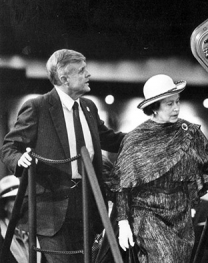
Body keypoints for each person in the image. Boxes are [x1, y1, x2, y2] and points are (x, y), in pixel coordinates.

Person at [1, 49, 125, 263]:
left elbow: (112, 139)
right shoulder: (37, 107)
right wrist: (20, 160)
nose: (89, 75)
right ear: (64, 78)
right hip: (50, 212)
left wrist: (151, 133)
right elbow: (9, 147)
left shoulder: (89, 107)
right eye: (82, 71)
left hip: (87, 208)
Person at [112, 74, 208, 263]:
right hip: (147, 212)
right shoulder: (136, 139)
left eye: (177, 102)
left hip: (180, 212)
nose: (176, 108)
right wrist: (123, 221)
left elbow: (206, 159)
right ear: (155, 107)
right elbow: (123, 184)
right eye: (169, 104)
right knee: (166, 258)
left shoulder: (187, 131)